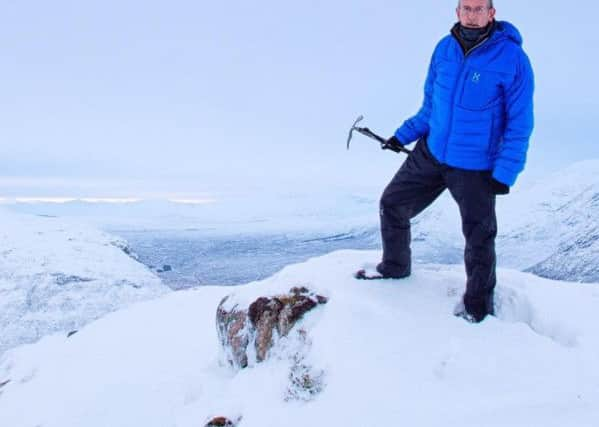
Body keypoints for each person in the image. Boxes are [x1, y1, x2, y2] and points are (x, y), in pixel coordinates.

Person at [355, 0, 534, 323]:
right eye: (466, 8)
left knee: (479, 237)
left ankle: (478, 307)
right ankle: (394, 268)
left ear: (492, 13)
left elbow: (520, 122)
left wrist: (506, 172)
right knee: (392, 203)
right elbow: (431, 106)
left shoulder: (513, 59)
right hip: (432, 152)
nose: (472, 14)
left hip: (475, 165)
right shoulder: (444, 49)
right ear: (457, 12)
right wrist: (402, 135)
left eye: (480, 8)